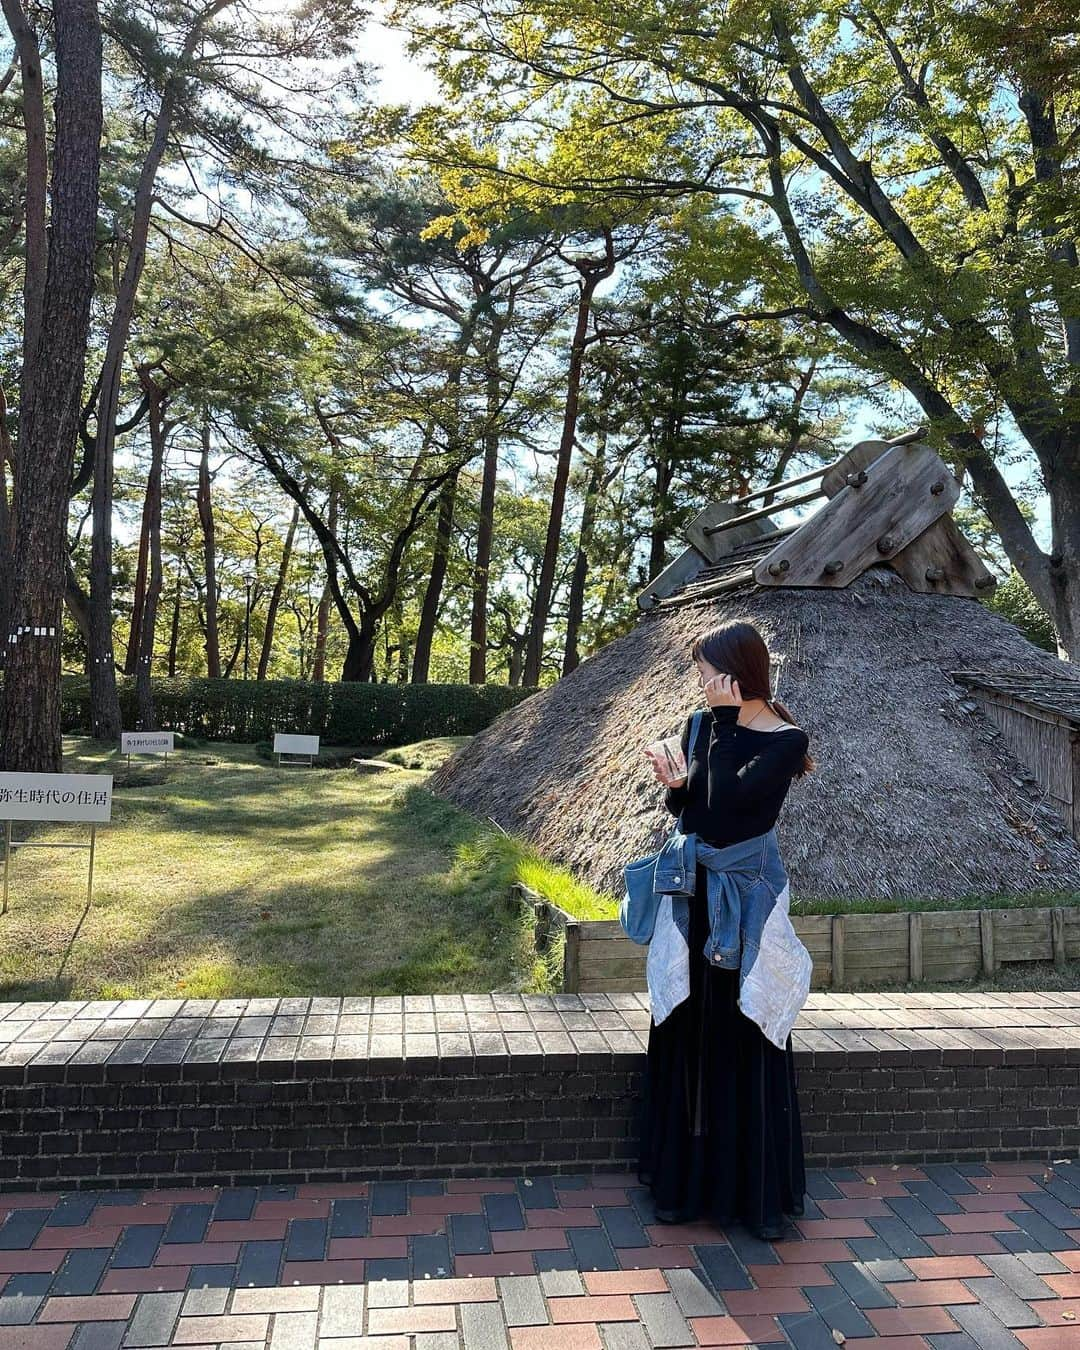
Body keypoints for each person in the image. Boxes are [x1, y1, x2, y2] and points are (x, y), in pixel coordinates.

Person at [637, 619, 816, 1240]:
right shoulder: (700, 724)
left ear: (741, 674)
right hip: (695, 893)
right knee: (690, 1019)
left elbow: (735, 806)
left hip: (748, 900)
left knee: (746, 1020)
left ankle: (748, 1191)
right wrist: (674, 786)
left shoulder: (786, 740)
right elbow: (692, 813)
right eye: (700, 674)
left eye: (709, 673)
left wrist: (719, 732)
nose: (701, 684)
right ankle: (685, 1183)